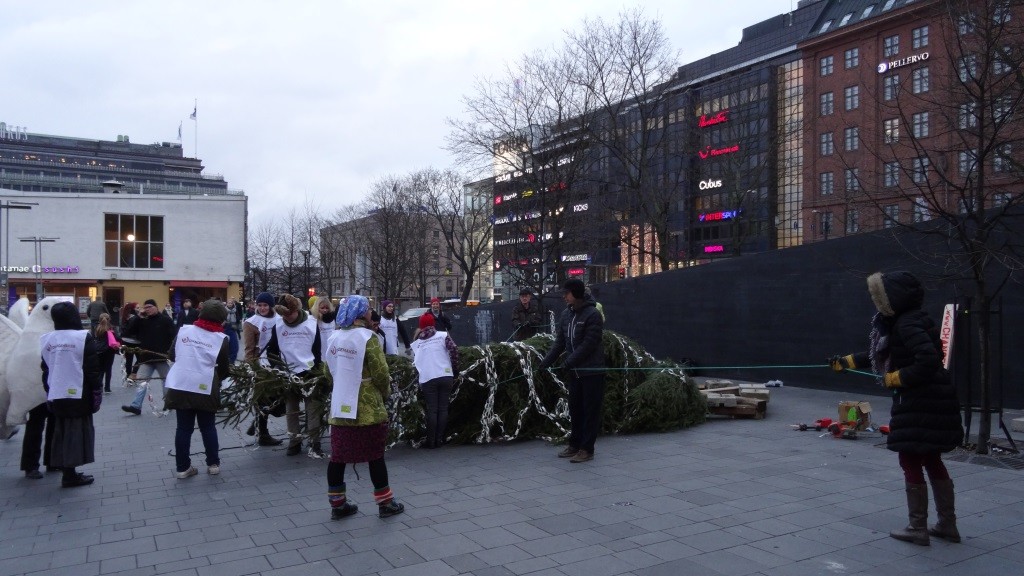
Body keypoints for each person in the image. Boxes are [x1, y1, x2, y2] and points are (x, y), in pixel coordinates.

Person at [830, 270, 964, 546]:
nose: (876, 302)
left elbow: (928, 360)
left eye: (879, 296)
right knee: (930, 458)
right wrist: (846, 362)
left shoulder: (905, 324)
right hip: (931, 400)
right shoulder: (906, 321)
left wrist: (897, 378)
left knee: (911, 459)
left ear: (892, 299)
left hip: (921, 401)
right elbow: (881, 354)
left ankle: (918, 528)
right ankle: (947, 525)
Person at [322, 295, 405, 520]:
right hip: (368, 408)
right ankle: (385, 503)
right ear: (361, 313)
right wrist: (385, 392)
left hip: (340, 407)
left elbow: (327, 372)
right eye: (368, 310)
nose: (371, 313)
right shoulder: (369, 338)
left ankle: (338, 505)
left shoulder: (334, 337)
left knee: (338, 457)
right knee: (375, 456)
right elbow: (380, 373)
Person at [538, 278, 606, 464]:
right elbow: (560, 342)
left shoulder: (592, 314)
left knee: (590, 411)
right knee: (575, 410)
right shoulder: (566, 315)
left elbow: (590, 343)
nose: (564, 297)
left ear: (576, 293)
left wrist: (569, 361)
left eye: (566, 293)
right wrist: (546, 361)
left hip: (591, 371)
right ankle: (574, 444)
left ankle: (587, 449)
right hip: (575, 373)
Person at [164, 299, 231, 479]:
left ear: (201, 314)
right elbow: (224, 368)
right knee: (208, 427)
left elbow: (171, 354)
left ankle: (183, 468)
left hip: (181, 384)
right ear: (220, 319)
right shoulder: (221, 339)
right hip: (205, 386)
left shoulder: (184, 331)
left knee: (183, 428)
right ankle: (213, 464)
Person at [40, 301, 102, 488]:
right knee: (77, 431)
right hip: (79, 390)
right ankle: (70, 473)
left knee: (61, 430)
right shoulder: (83, 337)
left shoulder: (47, 339)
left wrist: (48, 388)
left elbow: (45, 367)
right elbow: (92, 369)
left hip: (56, 390)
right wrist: (97, 390)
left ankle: (62, 465)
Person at [265, 294, 321, 456]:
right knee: (291, 409)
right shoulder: (279, 325)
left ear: (296, 310)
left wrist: (317, 370)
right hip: (288, 373)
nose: (287, 319)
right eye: (284, 316)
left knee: (313, 409)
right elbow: (272, 349)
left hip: (309, 372)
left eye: (289, 315)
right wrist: (276, 367)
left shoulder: (311, 324)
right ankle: (294, 441)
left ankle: (314, 441)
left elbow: (317, 349)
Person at [411, 313, 458, 448]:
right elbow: (454, 349)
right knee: (443, 409)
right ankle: (439, 439)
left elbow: (416, 362)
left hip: (428, 378)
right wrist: (455, 369)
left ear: (421, 326)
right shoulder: (443, 336)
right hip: (445, 375)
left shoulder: (417, 343)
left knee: (432, 410)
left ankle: (431, 441)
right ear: (433, 324)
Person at [121, 299, 176, 416]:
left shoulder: (165, 320)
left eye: (150, 307)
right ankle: (136, 406)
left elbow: (174, 336)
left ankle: (169, 404)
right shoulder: (141, 321)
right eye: (145, 308)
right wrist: (137, 318)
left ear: (156, 307)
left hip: (160, 357)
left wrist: (171, 353)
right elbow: (127, 333)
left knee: (166, 381)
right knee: (142, 381)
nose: (147, 309)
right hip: (145, 358)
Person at [242, 292, 283, 446]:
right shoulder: (251, 323)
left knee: (279, 401)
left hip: (280, 363)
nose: (262, 308)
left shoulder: (280, 320)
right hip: (262, 365)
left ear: (271, 305)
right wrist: (251, 368)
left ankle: (257, 422)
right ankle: (263, 432)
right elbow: (249, 348)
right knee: (264, 399)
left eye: (265, 305)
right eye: (259, 305)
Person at [94, 313, 120, 393]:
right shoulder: (112, 328)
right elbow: (117, 338)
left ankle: (99, 386)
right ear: (109, 319)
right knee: (108, 369)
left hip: (98, 350)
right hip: (109, 351)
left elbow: (95, 337)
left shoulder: (97, 328)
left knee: (100, 369)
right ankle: (107, 387)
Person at [119, 303, 140, 380]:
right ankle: (133, 373)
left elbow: (122, 329)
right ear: (133, 309)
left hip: (125, 341)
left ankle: (128, 376)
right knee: (141, 359)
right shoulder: (136, 318)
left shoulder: (124, 317)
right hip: (135, 341)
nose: (139, 309)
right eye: (137, 308)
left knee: (129, 360)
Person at [224, 297, 240, 362]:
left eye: (231, 303)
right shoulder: (224, 310)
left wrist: (238, 327)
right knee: (225, 345)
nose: (230, 304)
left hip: (233, 328)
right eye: (229, 303)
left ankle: (232, 360)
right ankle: (225, 359)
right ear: (227, 303)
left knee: (234, 346)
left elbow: (238, 319)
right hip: (225, 328)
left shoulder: (235, 310)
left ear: (233, 304)